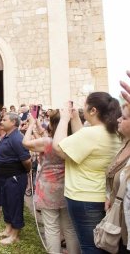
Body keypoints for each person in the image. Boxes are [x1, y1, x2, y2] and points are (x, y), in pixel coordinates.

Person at [52, 92, 122, 253]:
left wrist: (64, 119)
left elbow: (59, 147)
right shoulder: (111, 131)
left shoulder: (91, 134)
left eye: (84, 105)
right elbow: (82, 142)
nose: (81, 108)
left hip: (83, 197)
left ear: (93, 110)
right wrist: (76, 118)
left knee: (90, 246)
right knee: (102, 242)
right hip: (103, 195)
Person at [22, 111, 79, 254]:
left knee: (51, 227)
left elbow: (25, 143)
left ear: (53, 124)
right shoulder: (74, 141)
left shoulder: (48, 142)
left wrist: (31, 125)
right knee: (69, 227)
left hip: (48, 189)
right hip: (68, 187)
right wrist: (39, 125)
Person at [0, 112, 31, 245]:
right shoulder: (7, 136)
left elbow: (27, 160)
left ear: (13, 123)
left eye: (4, 120)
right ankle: (8, 229)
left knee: (15, 204)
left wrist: (25, 171)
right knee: (7, 203)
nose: (1, 121)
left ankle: (15, 235)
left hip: (14, 176)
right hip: (4, 176)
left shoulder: (17, 138)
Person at [106, 103, 130, 252]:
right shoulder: (125, 143)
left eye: (125, 117)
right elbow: (113, 176)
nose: (119, 120)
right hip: (118, 226)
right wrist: (109, 196)